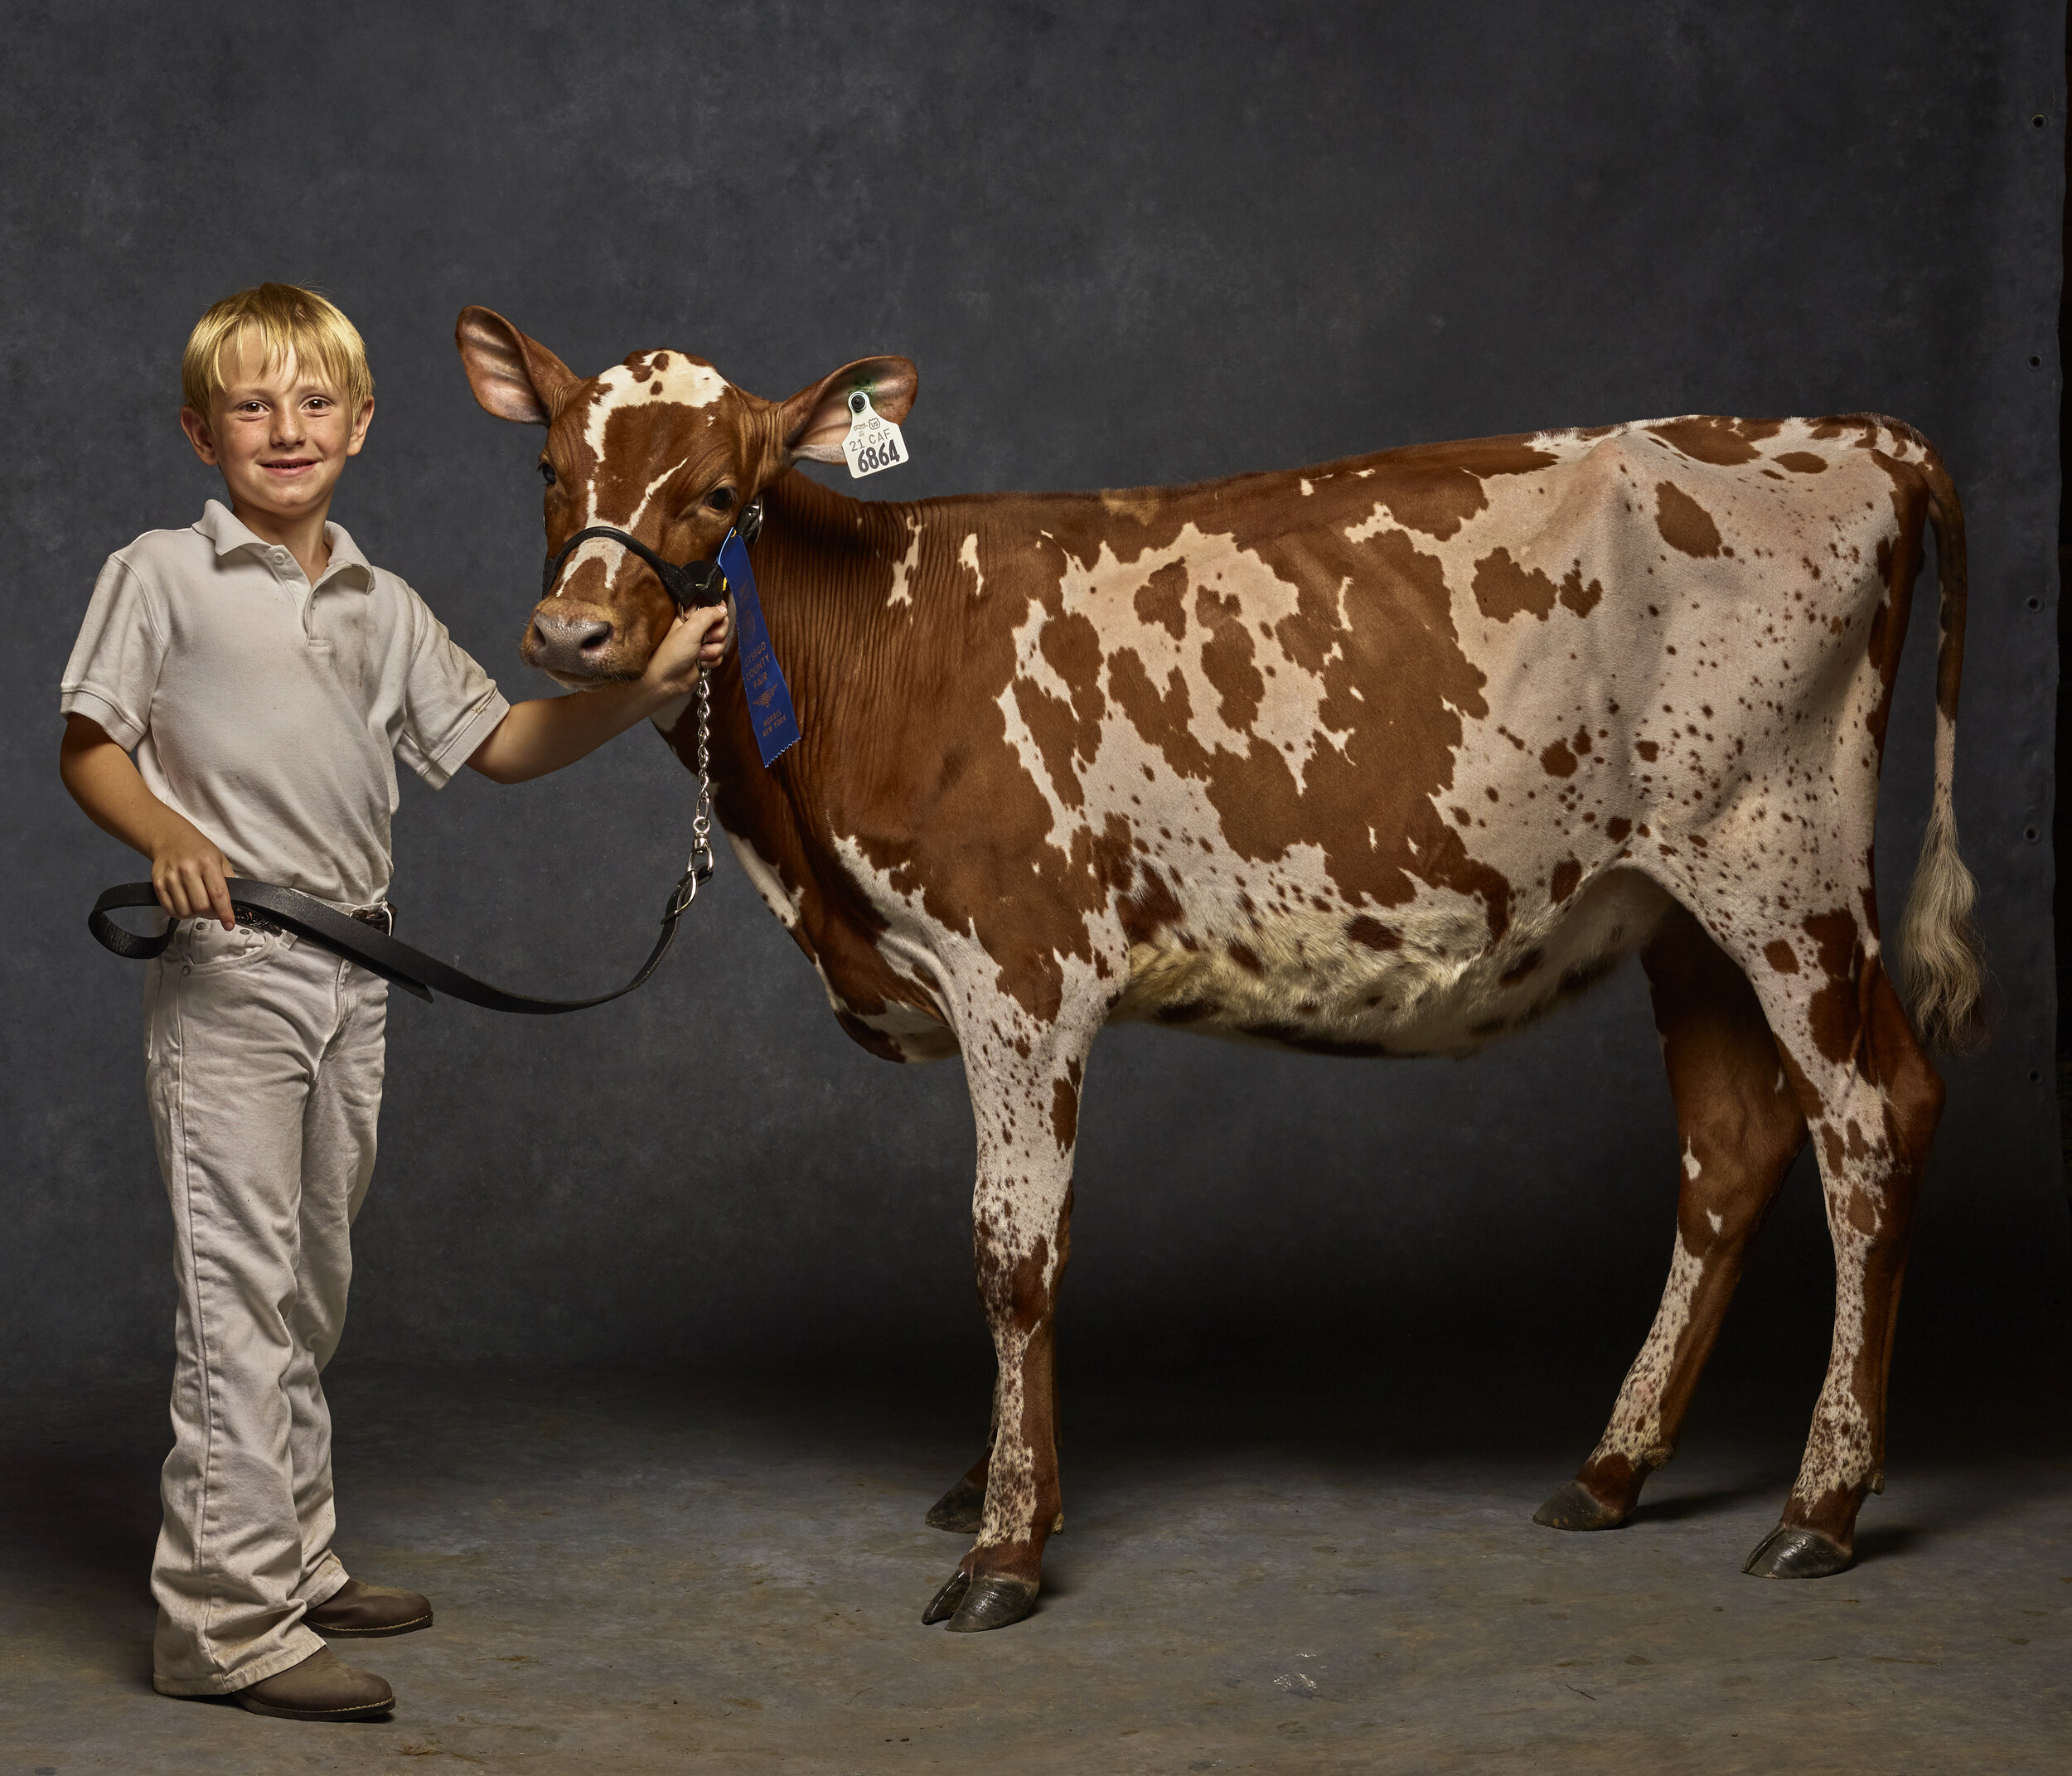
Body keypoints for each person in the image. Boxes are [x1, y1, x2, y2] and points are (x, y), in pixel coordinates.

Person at [56, 283, 726, 1722]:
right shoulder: (162, 574)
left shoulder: (383, 600)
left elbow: (499, 743)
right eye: (252, 403)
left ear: (360, 426)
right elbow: (90, 742)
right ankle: (223, 1631)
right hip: (233, 966)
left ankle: (291, 1563)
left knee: (309, 1286)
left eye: (315, 403)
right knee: (237, 1299)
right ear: (200, 431)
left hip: (355, 976)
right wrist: (164, 832)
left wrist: (647, 686)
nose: (285, 428)